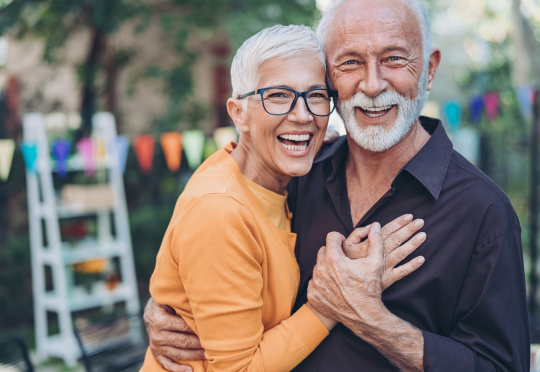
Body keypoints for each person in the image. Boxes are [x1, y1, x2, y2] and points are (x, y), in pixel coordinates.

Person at [144, 0, 530, 370]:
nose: (373, 84)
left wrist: (372, 320)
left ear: (428, 69)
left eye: (394, 58)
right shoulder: (298, 175)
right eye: (351, 63)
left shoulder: (483, 213)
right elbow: (216, 254)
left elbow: (501, 366)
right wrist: (170, 308)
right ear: (330, 77)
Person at [141, 24, 427, 372]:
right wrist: (331, 301)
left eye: (317, 96)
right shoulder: (220, 210)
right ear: (238, 113)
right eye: (278, 95)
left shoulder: (278, 175)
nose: (303, 115)